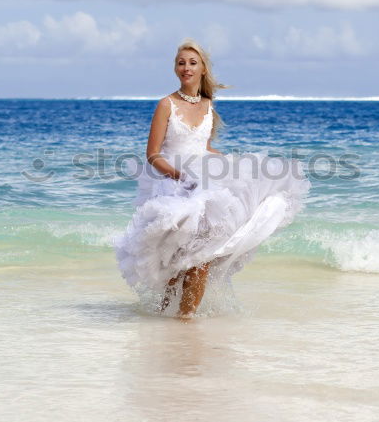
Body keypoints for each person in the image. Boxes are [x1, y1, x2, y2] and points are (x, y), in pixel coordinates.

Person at [113, 39, 310, 319]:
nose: (186, 68)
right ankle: (165, 315)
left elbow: (203, 147)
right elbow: (153, 154)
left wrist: (230, 162)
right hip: (174, 187)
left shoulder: (208, 105)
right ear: (175, 68)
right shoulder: (165, 105)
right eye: (181, 63)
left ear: (203, 69)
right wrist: (179, 175)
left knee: (202, 256)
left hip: (206, 185)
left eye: (192, 63)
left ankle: (185, 318)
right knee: (175, 261)